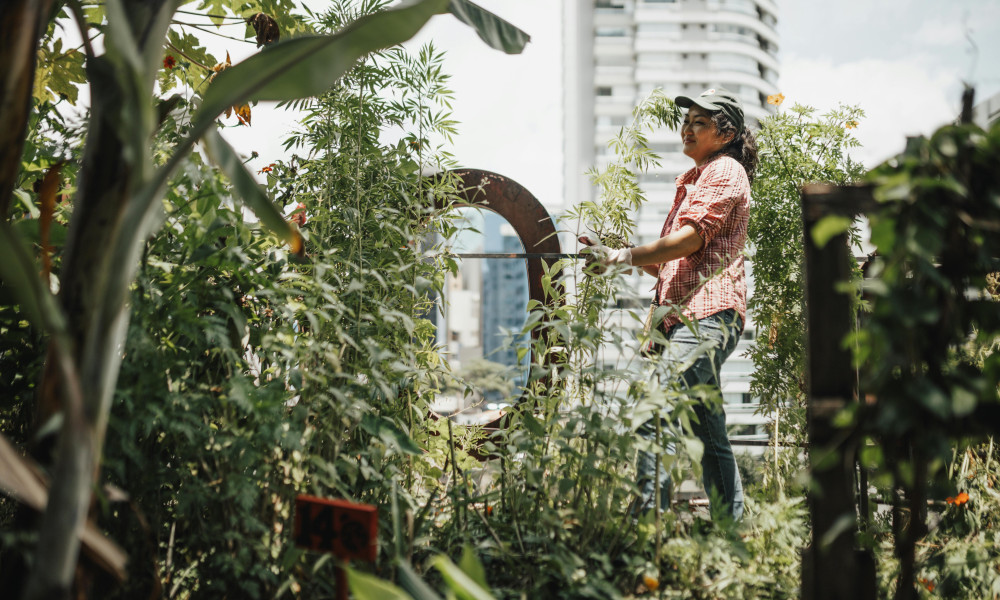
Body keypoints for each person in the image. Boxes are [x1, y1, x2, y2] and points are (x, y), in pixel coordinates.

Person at [581, 88, 757, 522]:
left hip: (706, 316)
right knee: (708, 432)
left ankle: (645, 526)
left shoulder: (724, 170)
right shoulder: (696, 179)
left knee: (654, 408)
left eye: (700, 122)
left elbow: (691, 238)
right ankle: (731, 536)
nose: (687, 128)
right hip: (685, 318)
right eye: (687, 120)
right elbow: (671, 265)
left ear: (726, 132)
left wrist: (625, 256)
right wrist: (617, 255)